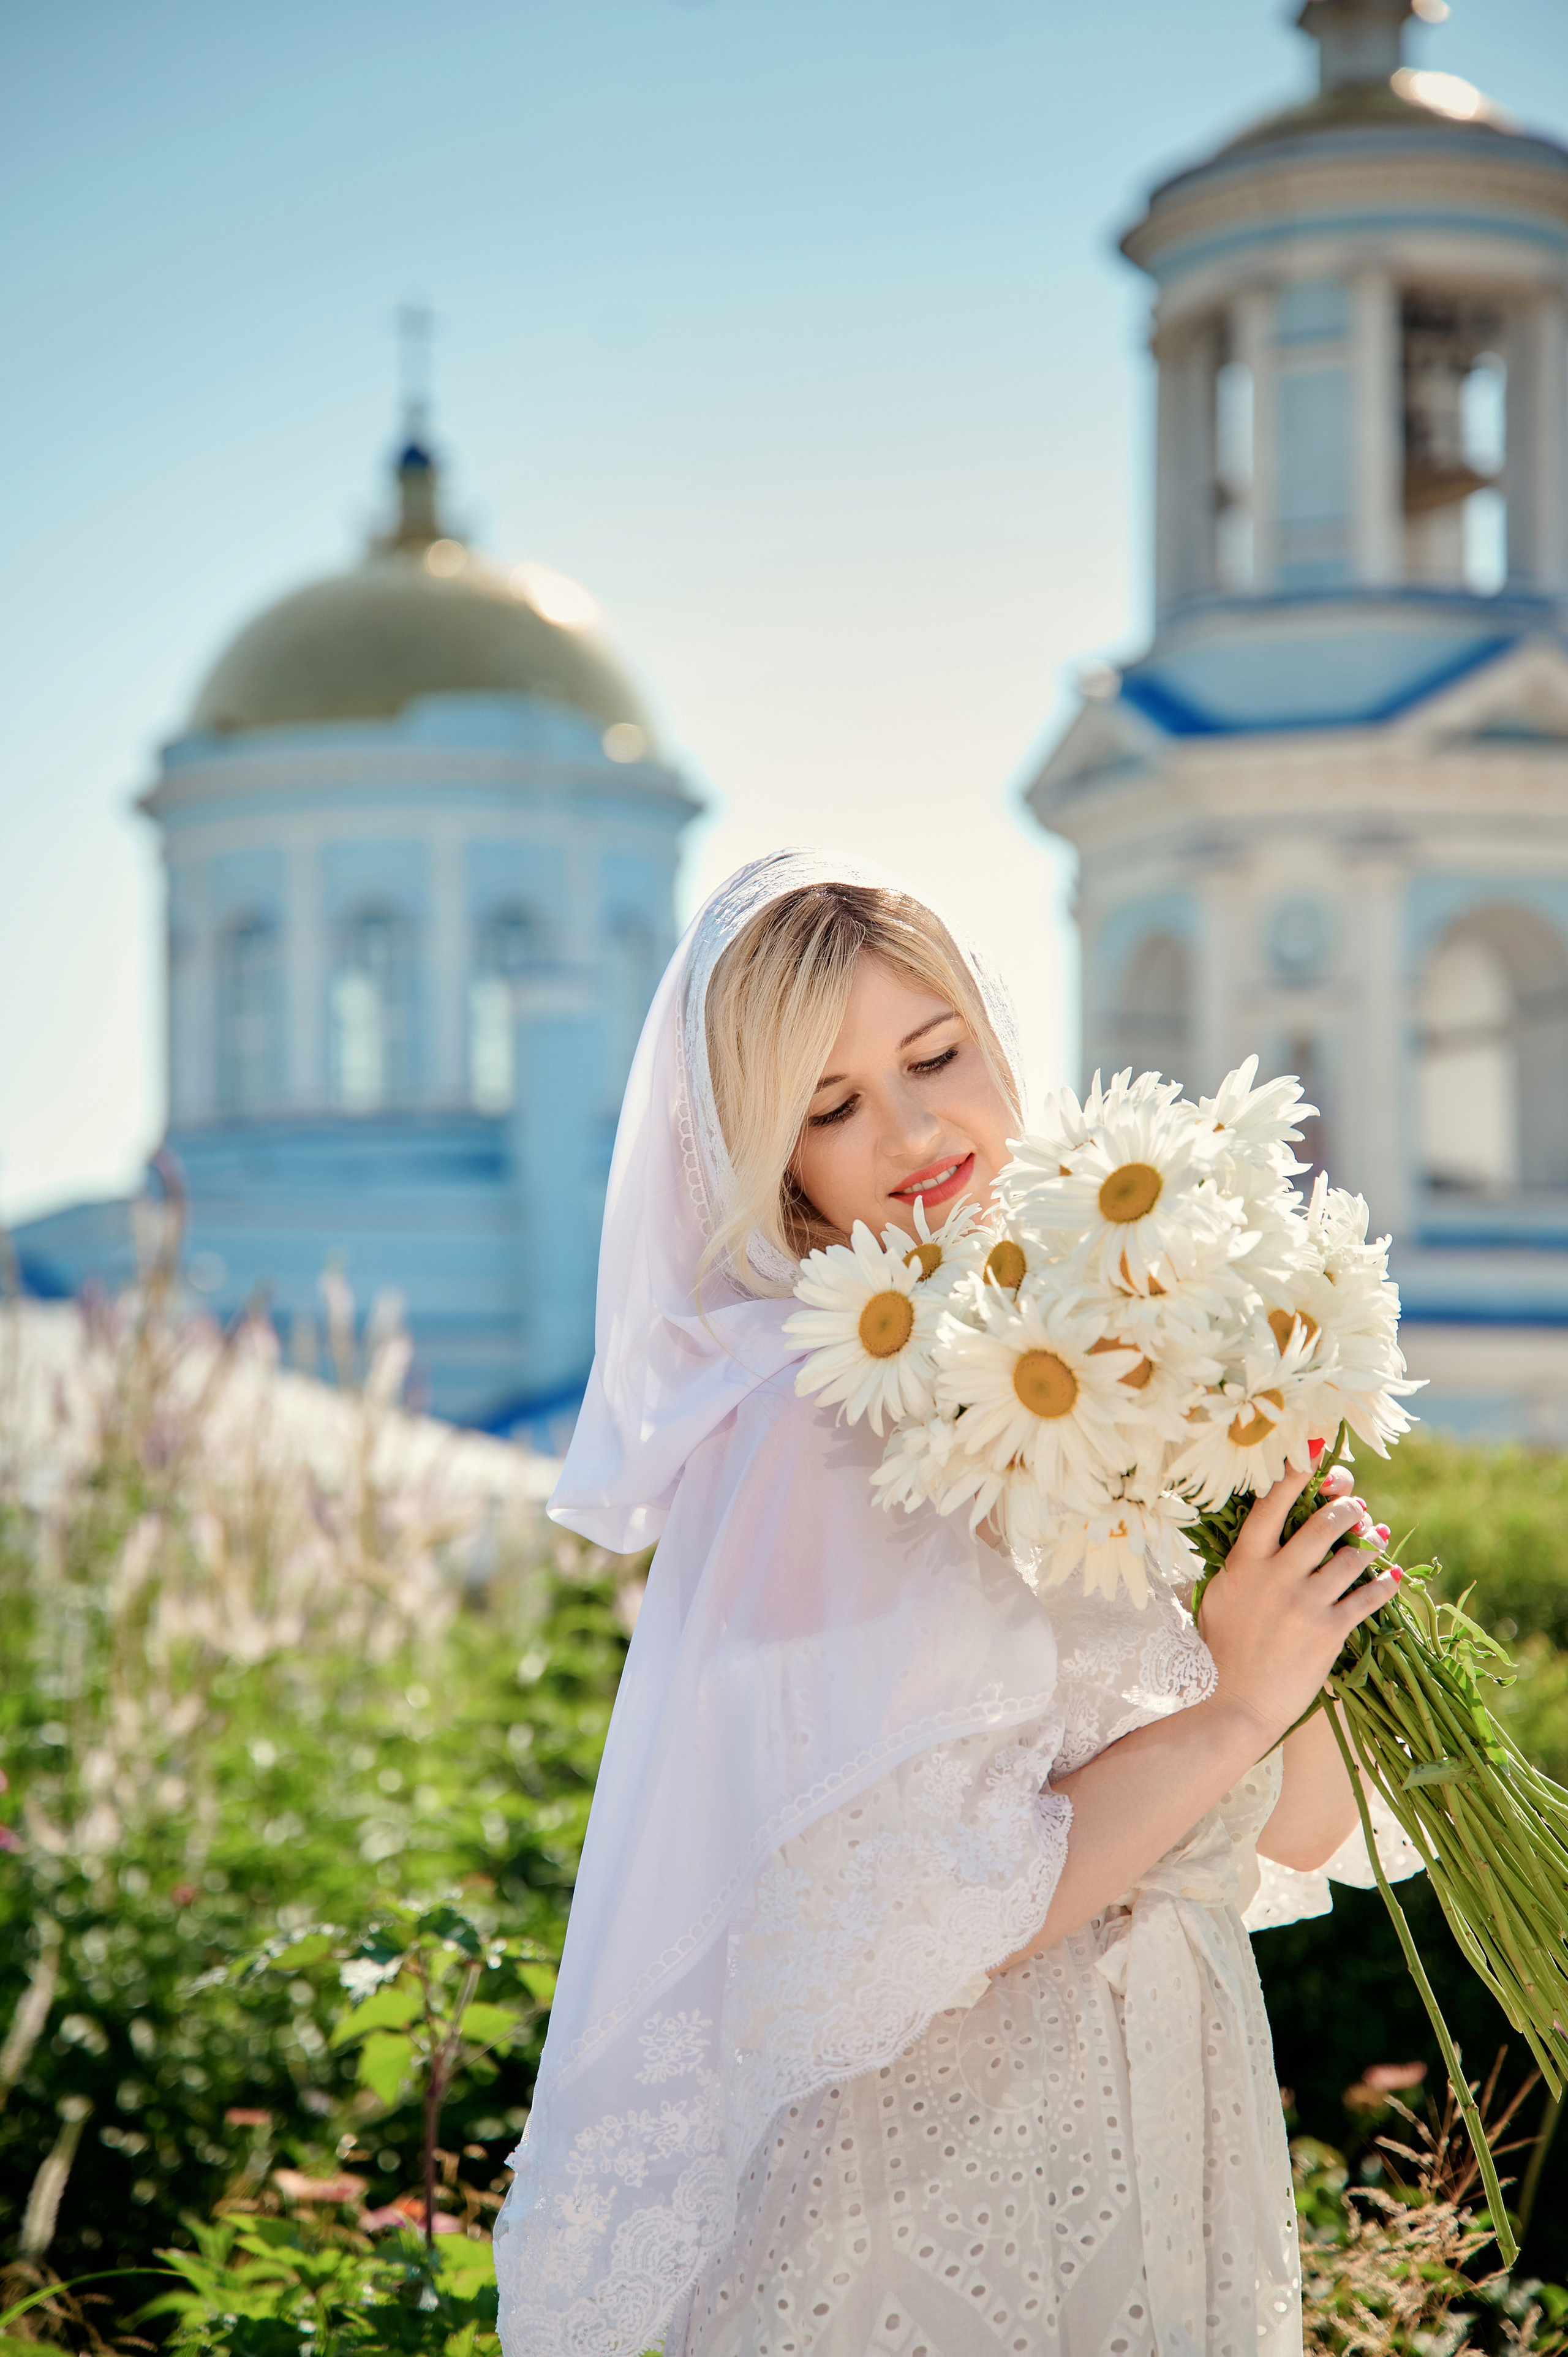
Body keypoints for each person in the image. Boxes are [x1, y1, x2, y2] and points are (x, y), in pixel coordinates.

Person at [494, 851, 1417, 2357]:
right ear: (769, 1158)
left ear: (995, 1033)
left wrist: (1297, 1577)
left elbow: (1300, 1831)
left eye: (934, 1057)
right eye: (828, 1104)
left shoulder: (1103, 1350)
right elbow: (925, 1910)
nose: (914, 1132)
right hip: (946, 2163)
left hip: (1172, 2117)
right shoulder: (816, 1418)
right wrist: (1236, 1700)